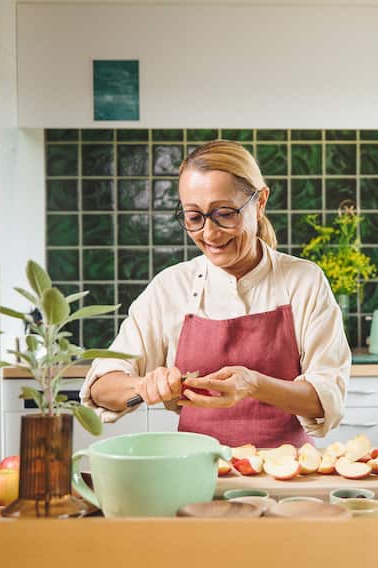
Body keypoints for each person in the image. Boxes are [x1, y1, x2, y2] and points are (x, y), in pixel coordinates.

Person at [80, 140, 350, 447]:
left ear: (259, 202)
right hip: (197, 473)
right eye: (194, 218)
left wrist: (254, 384)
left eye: (224, 213)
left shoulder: (304, 281)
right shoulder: (171, 287)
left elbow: (327, 398)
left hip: (289, 476)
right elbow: (102, 386)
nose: (209, 234)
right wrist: (143, 385)